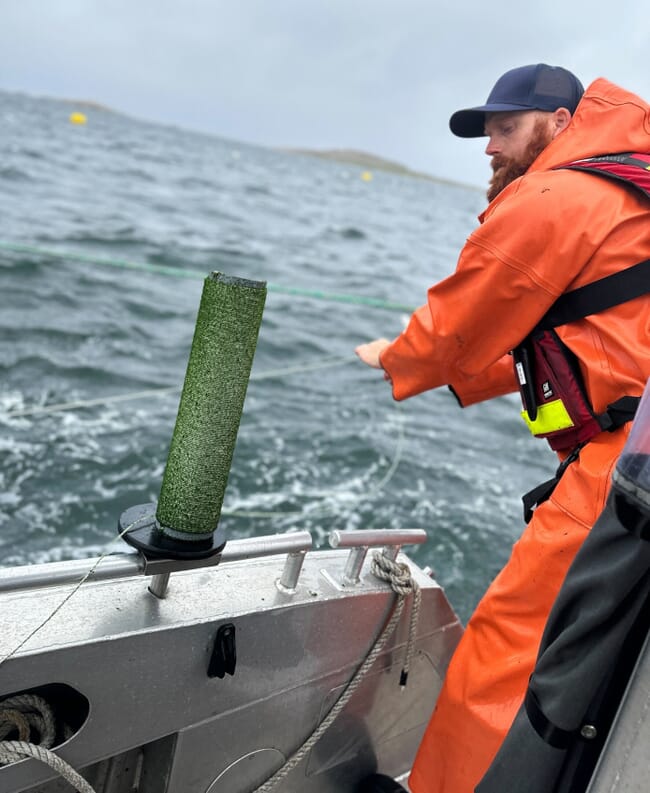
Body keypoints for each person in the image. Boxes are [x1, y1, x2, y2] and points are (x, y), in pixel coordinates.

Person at [355, 63, 650, 793]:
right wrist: (460, 373)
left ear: (558, 121)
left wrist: (396, 357)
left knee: (504, 650)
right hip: (633, 446)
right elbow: (578, 327)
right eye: (485, 132)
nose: (490, 146)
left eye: (505, 127)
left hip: (619, 469)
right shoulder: (629, 192)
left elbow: (461, 320)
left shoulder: (554, 195)